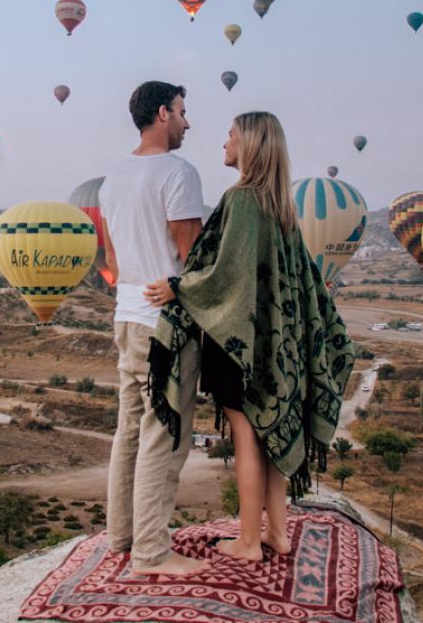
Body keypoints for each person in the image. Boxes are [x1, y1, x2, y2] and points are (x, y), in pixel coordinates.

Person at [145, 111, 354, 563]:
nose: (224, 143)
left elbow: (225, 274)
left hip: (238, 342)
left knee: (247, 438)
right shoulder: (280, 206)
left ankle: (246, 541)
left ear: (251, 146)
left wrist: (178, 287)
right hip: (278, 341)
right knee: (274, 429)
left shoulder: (241, 200)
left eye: (231, 136)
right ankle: (277, 533)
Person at [98, 81, 207, 576]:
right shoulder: (178, 173)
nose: (187, 122)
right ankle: (151, 553)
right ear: (163, 113)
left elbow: (115, 261)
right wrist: (183, 286)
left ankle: (121, 538)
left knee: (130, 431)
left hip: (126, 314)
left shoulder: (113, 178)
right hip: (164, 323)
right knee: (164, 435)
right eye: (183, 112)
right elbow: (197, 259)